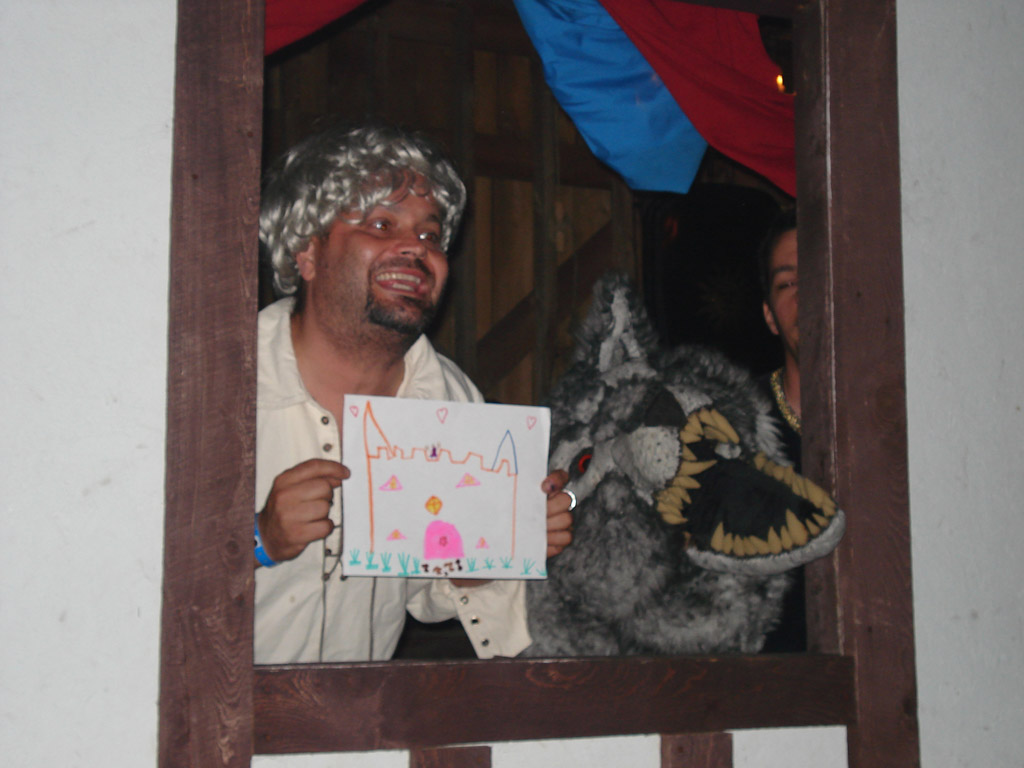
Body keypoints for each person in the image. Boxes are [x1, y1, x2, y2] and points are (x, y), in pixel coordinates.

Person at [254, 124, 574, 664]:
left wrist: (501, 548)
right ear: (306, 252)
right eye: (381, 224)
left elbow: (432, 589)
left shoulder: (449, 401)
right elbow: (120, 559)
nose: (415, 249)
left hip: (355, 713)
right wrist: (257, 540)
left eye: (431, 236)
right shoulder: (218, 386)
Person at [755, 207, 806, 653]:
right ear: (770, 316)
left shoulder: (891, 416)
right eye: (787, 284)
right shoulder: (736, 427)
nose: (805, 295)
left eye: (817, 275)